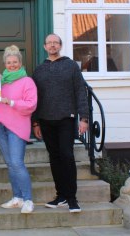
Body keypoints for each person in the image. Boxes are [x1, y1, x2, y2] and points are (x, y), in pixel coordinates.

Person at [32, 33, 89, 213]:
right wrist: (35, 123)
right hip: (46, 120)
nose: (52, 46)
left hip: (66, 117)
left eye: (55, 43)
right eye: (49, 43)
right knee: (54, 158)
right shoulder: (39, 70)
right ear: (44, 47)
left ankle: (72, 198)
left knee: (67, 155)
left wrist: (84, 118)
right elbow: (34, 98)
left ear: (60, 45)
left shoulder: (71, 66)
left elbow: (81, 91)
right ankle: (61, 195)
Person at [0, 45, 38, 214]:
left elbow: (31, 105)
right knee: (10, 164)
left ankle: (28, 199)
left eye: (15, 62)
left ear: (20, 62)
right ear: (5, 64)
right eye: (9, 62)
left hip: (17, 128)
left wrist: (10, 102)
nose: (12, 65)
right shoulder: (2, 81)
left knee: (17, 163)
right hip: (2, 126)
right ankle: (17, 198)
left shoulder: (27, 81)